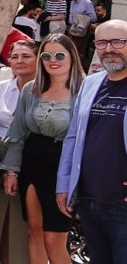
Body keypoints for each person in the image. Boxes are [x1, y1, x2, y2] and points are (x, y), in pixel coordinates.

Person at [2, 34, 83, 264]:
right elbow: (18, 132)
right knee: (34, 232)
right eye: (47, 55)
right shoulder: (31, 89)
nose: (52, 60)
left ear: (71, 57)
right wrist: (10, 171)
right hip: (32, 163)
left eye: (59, 55)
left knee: (54, 240)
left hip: (64, 168)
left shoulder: (84, 90)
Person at [57, 20, 127, 264]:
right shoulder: (91, 83)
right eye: (102, 42)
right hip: (89, 200)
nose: (109, 48)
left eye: (118, 41)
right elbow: (73, 138)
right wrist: (64, 185)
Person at [0, 40, 36, 264]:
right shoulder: (0, 88)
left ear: (37, 59)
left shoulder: (45, 89)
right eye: (15, 57)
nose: (19, 61)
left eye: (26, 56)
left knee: (21, 228)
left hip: (30, 165)